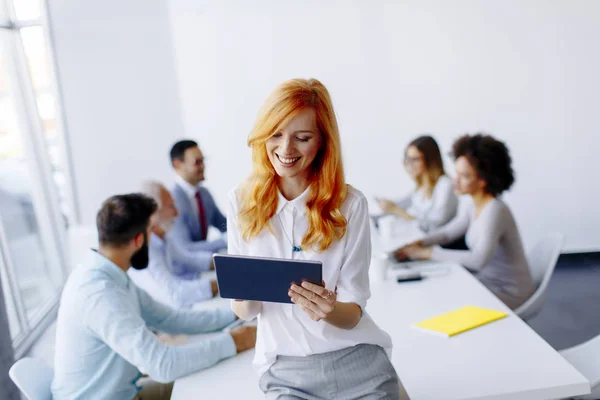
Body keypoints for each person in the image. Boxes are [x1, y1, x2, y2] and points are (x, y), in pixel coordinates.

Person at [229, 78, 406, 399]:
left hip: (355, 359)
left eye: (302, 137)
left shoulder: (350, 205)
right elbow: (244, 311)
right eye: (276, 135)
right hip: (285, 369)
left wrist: (328, 309)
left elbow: (353, 314)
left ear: (323, 142)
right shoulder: (241, 202)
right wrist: (249, 296)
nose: (285, 150)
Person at [51, 193, 256, 400]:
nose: (156, 237)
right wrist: (235, 341)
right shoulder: (99, 294)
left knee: (213, 382)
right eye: (151, 231)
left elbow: (169, 319)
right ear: (139, 239)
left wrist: (236, 314)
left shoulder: (109, 274)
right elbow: (162, 365)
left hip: (126, 392)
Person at [394, 134, 535, 310]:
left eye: (464, 176)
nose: (456, 181)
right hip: (485, 281)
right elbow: (447, 233)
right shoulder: (473, 206)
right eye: (457, 173)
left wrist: (426, 253)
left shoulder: (495, 210)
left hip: (508, 292)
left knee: (441, 301)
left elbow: (477, 260)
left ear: (483, 180)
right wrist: (419, 242)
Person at [128, 181, 219, 308]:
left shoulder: (163, 236)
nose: (177, 213)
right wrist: (222, 283)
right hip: (169, 313)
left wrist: (227, 264)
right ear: (154, 213)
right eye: (171, 206)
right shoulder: (144, 249)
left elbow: (188, 259)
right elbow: (175, 294)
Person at [168, 139, 227, 276]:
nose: (203, 166)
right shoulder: (171, 201)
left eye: (203, 160)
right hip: (185, 274)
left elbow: (223, 224)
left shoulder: (204, 194)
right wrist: (224, 240)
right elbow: (185, 247)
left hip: (205, 268)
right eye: (197, 162)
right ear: (178, 165)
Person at [376, 135, 458, 233]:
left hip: (436, 242)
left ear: (430, 160)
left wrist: (396, 210)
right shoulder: (420, 188)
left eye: (414, 160)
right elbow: (401, 203)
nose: (409, 165)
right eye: (407, 159)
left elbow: (433, 226)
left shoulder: (445, 185)